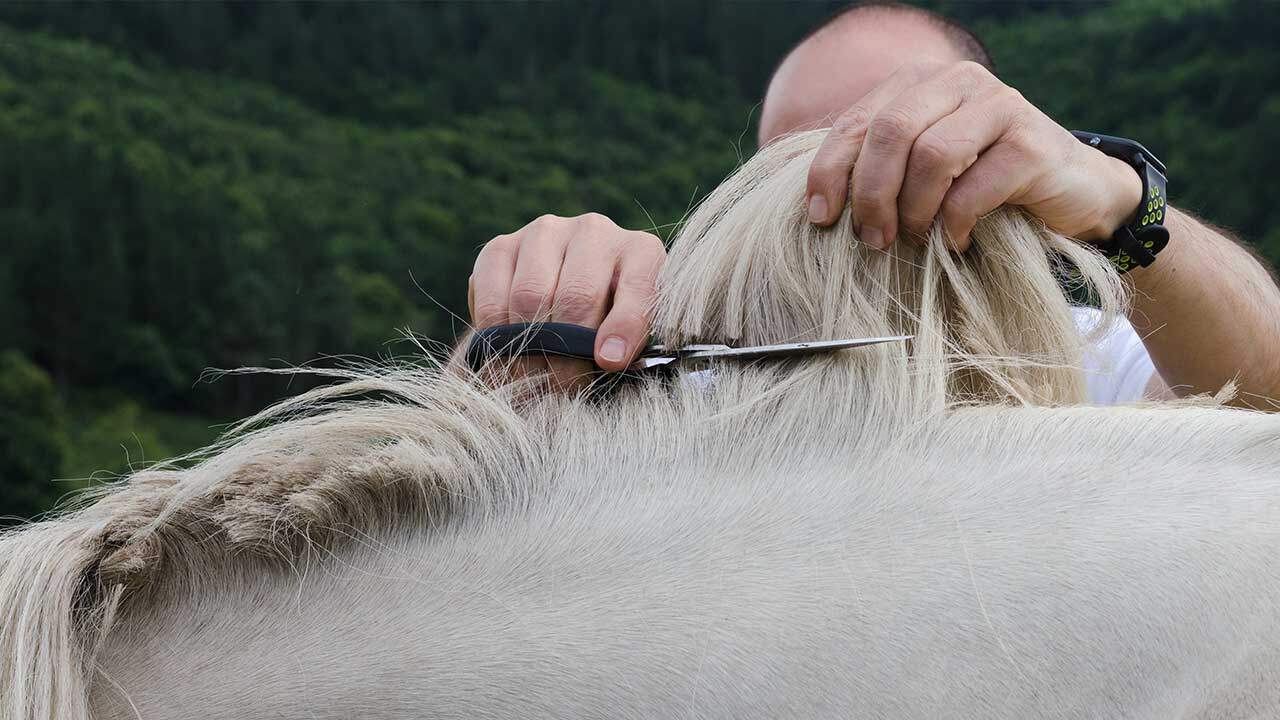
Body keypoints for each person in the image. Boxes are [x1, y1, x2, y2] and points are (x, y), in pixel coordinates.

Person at [466, 2, 1280, 408]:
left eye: (925, 148)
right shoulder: (687, 386)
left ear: (1012, 156)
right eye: (798, 179)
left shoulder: (1096, 361)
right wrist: (536, 338)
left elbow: (1264, 399)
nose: (871, 201)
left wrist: (1123, 204)